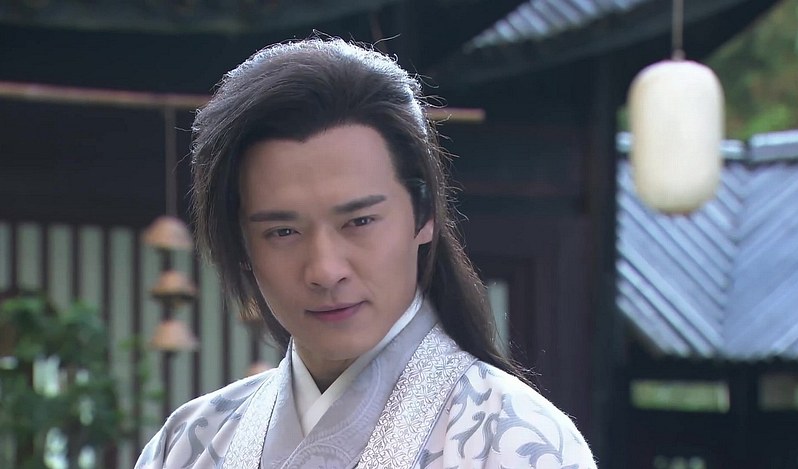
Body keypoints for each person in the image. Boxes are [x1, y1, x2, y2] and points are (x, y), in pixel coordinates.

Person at [135, 37, 596, 469]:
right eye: (283, 231)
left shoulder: (514, 441)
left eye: (359, 222)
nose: (325, 270)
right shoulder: (190, 445)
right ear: (241, 246)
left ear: (424, 214)